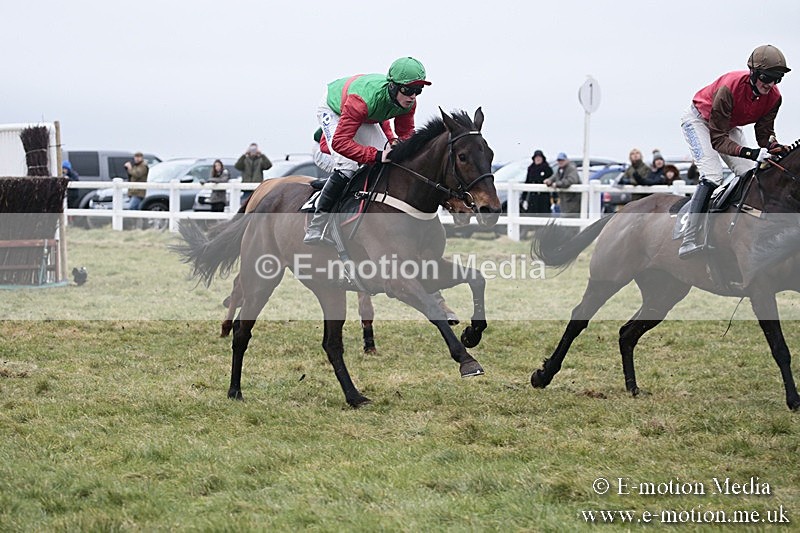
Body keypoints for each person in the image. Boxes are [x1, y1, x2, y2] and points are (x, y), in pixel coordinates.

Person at [304, 56, 431, 245]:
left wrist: (396, 145)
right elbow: (340, 143)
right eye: (408, 90)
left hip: (363, 112)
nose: (412, 96)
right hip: (334, 108)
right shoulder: (362, 102)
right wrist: (377, 155)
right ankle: (317, 224)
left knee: (390, 160)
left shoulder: (408, 103)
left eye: (418, 90)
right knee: (348, 166)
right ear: (393, 86)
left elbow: (405, 134)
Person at [678, 44, 790, 258]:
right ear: (753, 73)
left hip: (727, 125)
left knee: (749, 174)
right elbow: (718, 139)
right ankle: (689, 238)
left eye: (777, 79)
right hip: (699, 121)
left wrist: (776, 147)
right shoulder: (729, 88)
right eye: (767, 78)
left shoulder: (774, 97)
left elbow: (764, 134)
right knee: (713, 175)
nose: (771, 84)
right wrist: (751, 153)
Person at [544, 152, 580, 217]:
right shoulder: (560, 170)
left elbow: (571, 180)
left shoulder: (571, 169)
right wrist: (549, 181)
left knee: (572, 219)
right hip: (565, 201)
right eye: (559, 160)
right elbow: (554, 177)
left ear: (567, 160)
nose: (560, 162)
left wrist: (557, 184)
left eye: (562, 160)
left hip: (572, 201)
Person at [523, 150, 553, 215]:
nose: (538, 159)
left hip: (544, 197)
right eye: (536, 157)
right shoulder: (531, 169)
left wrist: (554, 198)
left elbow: (552, 180)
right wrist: (524, 198)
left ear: (542, 158)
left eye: (539, 157)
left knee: (544, 215)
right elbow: (527, 182)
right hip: (533, 197)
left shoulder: (547, 169)